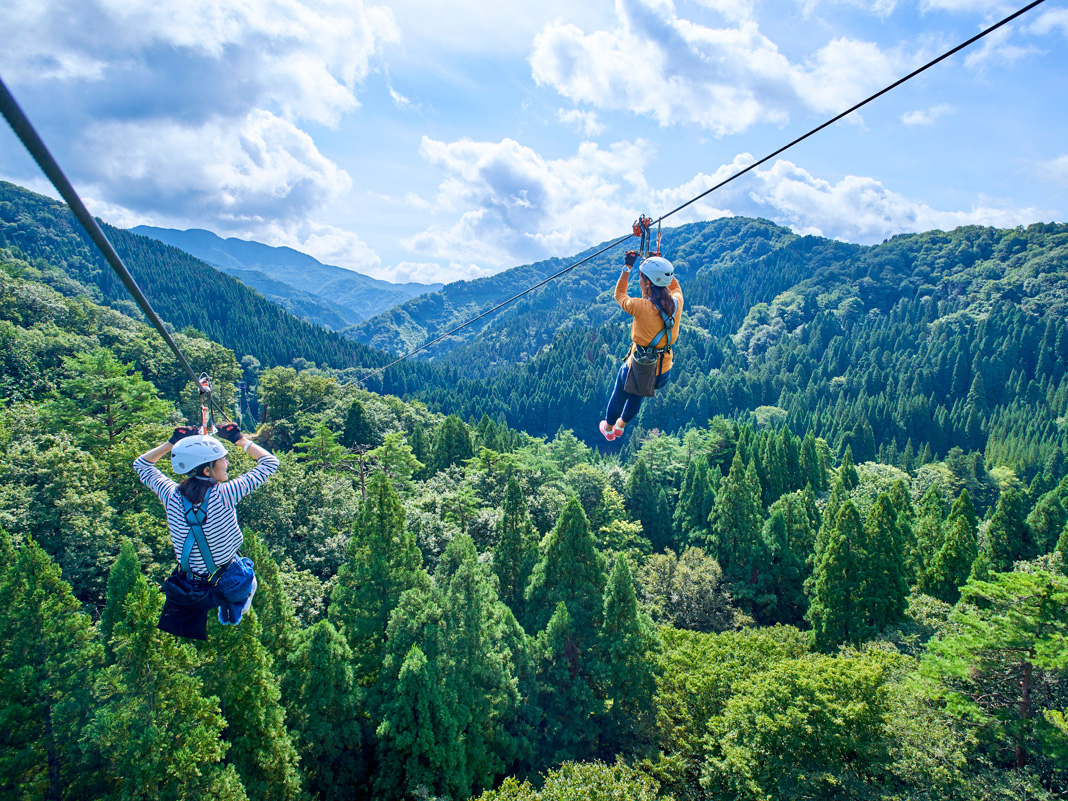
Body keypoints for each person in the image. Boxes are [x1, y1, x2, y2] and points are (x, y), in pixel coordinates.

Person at [133, 422, 279, 639]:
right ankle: (235, 605)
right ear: (206, 469)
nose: (227, 463)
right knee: (247, 568)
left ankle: (228, 603)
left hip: (189, 584)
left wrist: (172, 443)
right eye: (222, 459)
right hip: (230, 581)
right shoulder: (226, 493)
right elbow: (270, 463)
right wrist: (240, 440)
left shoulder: (171, 494)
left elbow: (142, 465)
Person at [599, 250, 683, 441]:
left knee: (619, 395)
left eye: (641, 278)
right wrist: (658, 264)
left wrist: (627, 266)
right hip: (662, 372)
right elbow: (673, 283)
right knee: (637, 395)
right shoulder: (678, 302)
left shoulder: (641, 306)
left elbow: (619, 295)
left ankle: (610, 428)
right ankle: (621, 426)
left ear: (647, 283)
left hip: (638, 366)